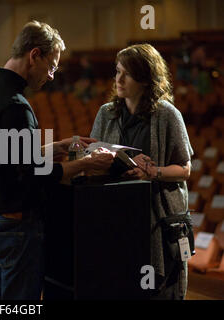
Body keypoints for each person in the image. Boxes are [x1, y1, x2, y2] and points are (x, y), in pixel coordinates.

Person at [0, 21, 114, 300]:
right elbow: (33, 174)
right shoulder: (16, 105)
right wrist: (86, 164)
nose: (51, 76)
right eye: (51, 66)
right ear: (34, 55)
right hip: (17, 228)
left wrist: (59, 146)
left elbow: (11, 159)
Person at [90, 44, 194, 300]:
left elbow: (185, 169)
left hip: (157, 219)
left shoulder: (168, 115)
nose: (119, 79)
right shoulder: (107, 113)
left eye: (127, 73)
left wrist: (152, 172)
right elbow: (93, 156)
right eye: (117, 72)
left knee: (158, 291)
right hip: (118, 215)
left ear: (146, 79)